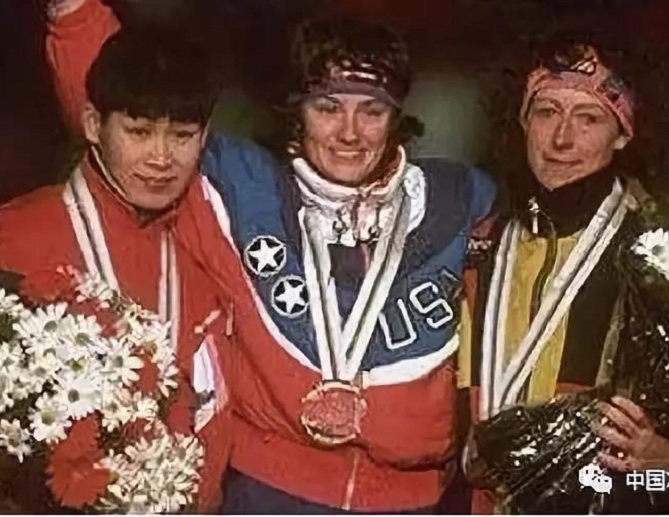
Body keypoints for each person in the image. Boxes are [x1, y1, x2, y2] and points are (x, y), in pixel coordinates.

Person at [45, 0, 496, 512]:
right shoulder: (238, 188)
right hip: (267, 493)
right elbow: (126, 95)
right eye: (327, 108)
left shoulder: (459, 200)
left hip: (412, 502)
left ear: (396, 116)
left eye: (371, 111)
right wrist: (74, 13)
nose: (349, 133)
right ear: (296, 109)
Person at [0, 21, 244, 513]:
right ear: (95, 125)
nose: (161, 157)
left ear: (204, 136)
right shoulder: (17, 234)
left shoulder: (205, 252)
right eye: (139, 132)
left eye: (182, 135)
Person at [458, 38, 669, 513]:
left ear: (624, 133)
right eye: (547, 112)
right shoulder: (478, 243)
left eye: (589, 119)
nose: (562, 139)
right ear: (521, 121)